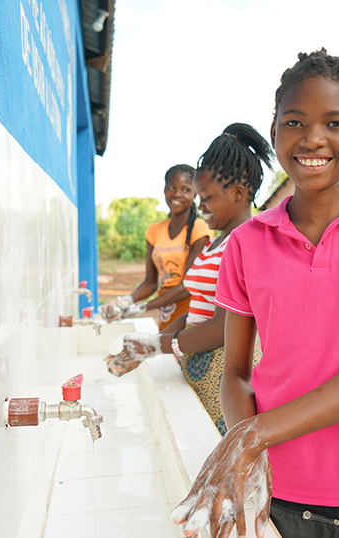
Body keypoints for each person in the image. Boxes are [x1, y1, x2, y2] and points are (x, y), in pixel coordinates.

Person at [171, 49, 339, 538]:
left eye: (335, 123)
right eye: (295, 121)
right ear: (274, 129)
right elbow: (235, 372)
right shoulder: (247, 244)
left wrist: (252, 436)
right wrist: (244, 447)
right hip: (283, 497)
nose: (313, 138)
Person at [104, 123, 274, 436]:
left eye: (206, 197)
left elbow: (225, 328)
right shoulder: (215, 243)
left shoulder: (249, 242)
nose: (200, 206)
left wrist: (157, 345)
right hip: (200, 368)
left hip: (227, 380)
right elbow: (198, 310)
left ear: (238, 193)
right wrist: (153, 343)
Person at [100, 164, 212, 331]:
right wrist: (127, 301)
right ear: (164, 190)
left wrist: (141, 308)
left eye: (185, 189)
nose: (177, 194)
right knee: (166, 353)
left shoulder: (200, 229)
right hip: (165, 308)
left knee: (182, 352)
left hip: (191, 309)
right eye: (172, 187)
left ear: (195, 193)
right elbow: (150, 283)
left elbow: (188, 284)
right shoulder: (154, 231)